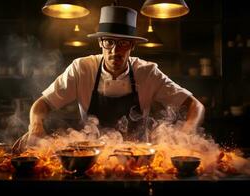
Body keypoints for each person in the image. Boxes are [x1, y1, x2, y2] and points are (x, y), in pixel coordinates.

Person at [12, 5, 204, 152]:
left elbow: (196, 106)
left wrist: (186, 134)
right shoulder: (81, 69)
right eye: (109, 42)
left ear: (132, 46)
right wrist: (35, 126)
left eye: (122, 43)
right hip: (92, 157)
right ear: (100, 42)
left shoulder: (148, 72)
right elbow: (41, 104)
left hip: (138, 157)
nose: (115, 50)